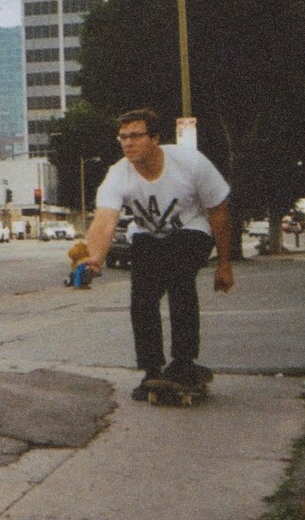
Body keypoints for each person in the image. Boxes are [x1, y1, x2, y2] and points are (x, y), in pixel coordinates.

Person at [84, 108, 236, 401]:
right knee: (142, 296)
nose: (128, 143)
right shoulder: (119, 174)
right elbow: (105, 218)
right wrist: (95, 258)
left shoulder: (190, 163)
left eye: (136, 136)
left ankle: (183, 362)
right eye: (123, 137)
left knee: (180, 280)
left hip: (192, 229)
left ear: (155, 138)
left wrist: (225, 264)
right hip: (147, 235)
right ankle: (151, 369)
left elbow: (218, 210)